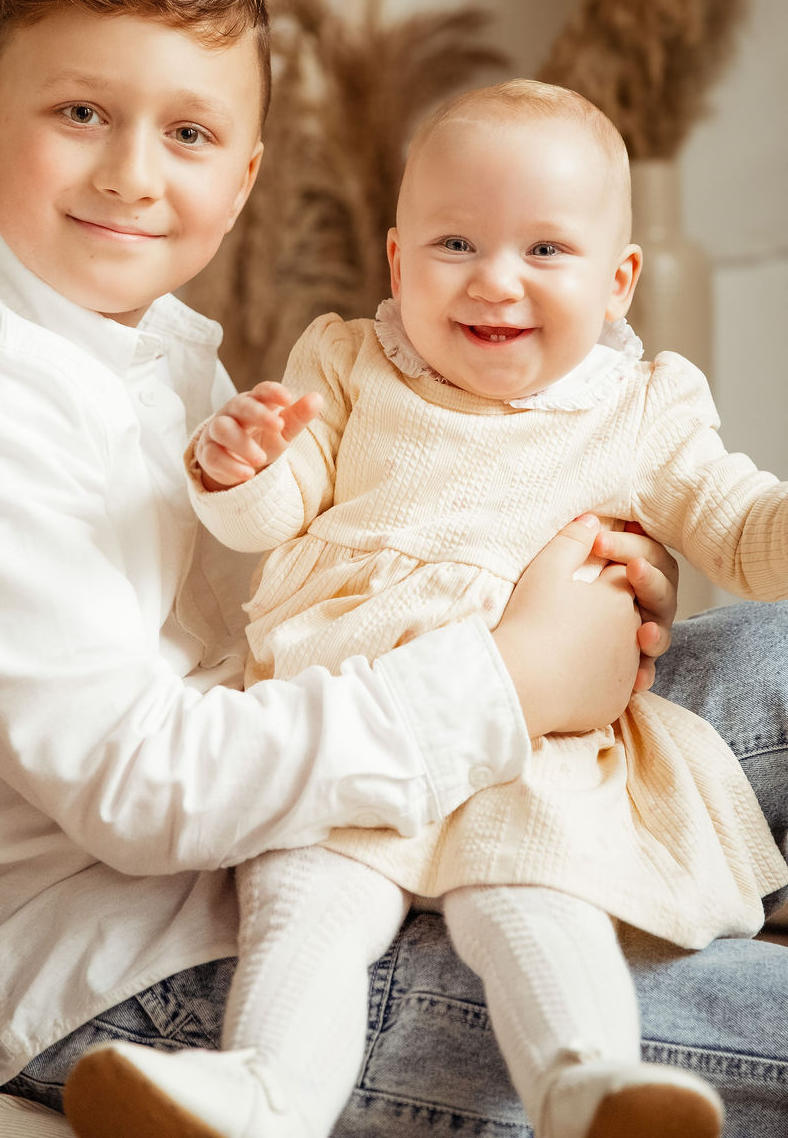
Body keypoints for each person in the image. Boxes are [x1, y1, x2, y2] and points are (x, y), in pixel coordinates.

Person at [0, 0, 786, 1138]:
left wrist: (583, 579)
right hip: (147, 962)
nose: (134, 177)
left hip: (364, 783)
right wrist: (513, 678)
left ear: (246, 172)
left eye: (190, 134)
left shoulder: (143, 338)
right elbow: (143, 786)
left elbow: (324, 568)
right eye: (83, 112)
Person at [85, 79, 788, 1138]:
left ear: (618, 282)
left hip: (532, 742)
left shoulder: (642, 407)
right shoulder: (349, 365)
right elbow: (269, 516)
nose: (494, 281)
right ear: (396, 261)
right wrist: (239, 467)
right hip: (353, 705)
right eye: (453, 243)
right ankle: (261, 1090)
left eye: (545, 251)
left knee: (534, 895)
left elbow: (737, 524)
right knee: (308, 899)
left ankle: (585, 1081)